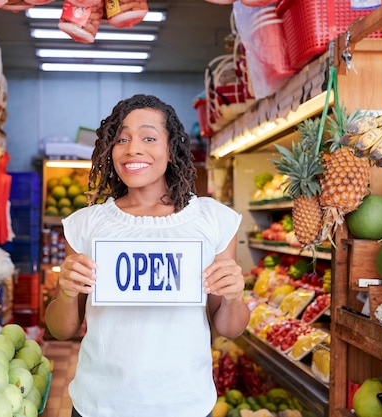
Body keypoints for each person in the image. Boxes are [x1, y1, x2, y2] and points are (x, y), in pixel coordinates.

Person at [44, 94, 249, 417]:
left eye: (149, 138)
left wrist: (236, 297)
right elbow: (62, 330)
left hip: (186, 405)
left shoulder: (213, 220)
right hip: (99, 405)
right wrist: (67, 292)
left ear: (171, 149)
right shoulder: (85, 225)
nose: (132, 148)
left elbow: (227, 327)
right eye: (121, 139)